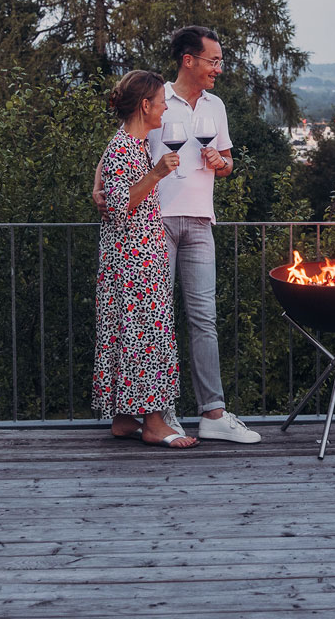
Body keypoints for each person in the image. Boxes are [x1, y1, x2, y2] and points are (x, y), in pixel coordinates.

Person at [94, 26, 261, 443]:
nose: (218, 68)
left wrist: (220, 164)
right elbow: (117, 148)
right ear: (190, 60)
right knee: (151, 321)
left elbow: (227, 160)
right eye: (213, 61)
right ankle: (158, 416)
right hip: (155, 223)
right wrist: (97, 187)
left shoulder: (215, 106)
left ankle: (213, 413)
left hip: (200, 220)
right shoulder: (156, 100)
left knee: (202, 318)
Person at [92, 70, 197, 448]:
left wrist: (97, 183)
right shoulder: (126, 147)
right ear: (145, 105)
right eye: (161, 101)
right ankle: (153, 423)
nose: (166, 106)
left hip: (134, 255)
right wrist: (156, 174)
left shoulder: (129, 142)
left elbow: (107, 167)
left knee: (129, 333)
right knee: (147, 334)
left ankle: (123, 419)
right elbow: (120, 206)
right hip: (134, 260)